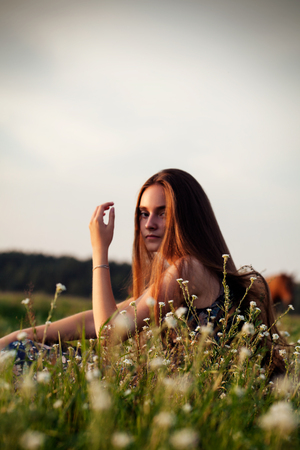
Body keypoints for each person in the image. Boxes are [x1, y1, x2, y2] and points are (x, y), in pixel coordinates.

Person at [0, 169, 285, 375]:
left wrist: (100, 250)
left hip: (179, 399)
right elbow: (93, 321)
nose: (149, 223)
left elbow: (108, 331)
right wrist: (20, 334)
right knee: (21, 348)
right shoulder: (187, 271)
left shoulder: (187, 268)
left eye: (162, 212)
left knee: (21, 357)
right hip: (171, 390)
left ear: (186, 216)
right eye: (144, 213)